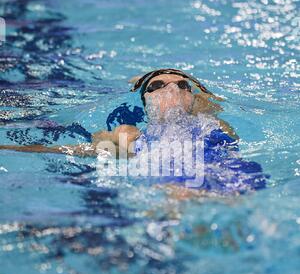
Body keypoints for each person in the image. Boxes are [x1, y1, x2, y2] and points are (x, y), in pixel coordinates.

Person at [0, 68, 266, 195]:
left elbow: (209, 100)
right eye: (158, 85)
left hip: (233, 178)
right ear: (145, 101)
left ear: (194, 98)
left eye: (183, 86)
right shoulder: (130, 136)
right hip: (173, 188)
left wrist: (150, 78)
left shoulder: (212, 125)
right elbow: (73, 151)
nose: (172, 90)